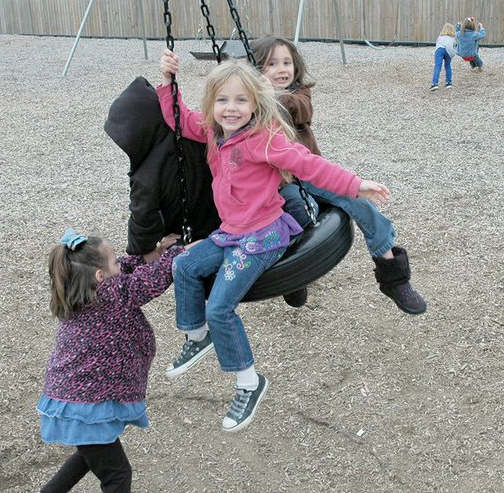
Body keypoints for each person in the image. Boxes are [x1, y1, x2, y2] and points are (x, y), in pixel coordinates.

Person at [156, 49, 391, 433]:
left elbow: (309, 164)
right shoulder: (215, 134)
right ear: (212, 103)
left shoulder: (263, 140)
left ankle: (249, 382)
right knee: (184, 265)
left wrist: (357, 185)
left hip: (263, 236)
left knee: (220, 308)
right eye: (223, 100)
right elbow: (179, 119)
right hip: (231, 232)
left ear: (255, 103)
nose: (231, 109)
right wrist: (168, 82)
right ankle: (197, 337)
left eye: (241, 100)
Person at [250, 34, 427, 315]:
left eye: (286, 62)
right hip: (277, 185)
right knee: (290, 218)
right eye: (271, 64)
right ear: (256, 70)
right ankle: (292, 279)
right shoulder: (247, 103)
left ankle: (393, 274)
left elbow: (296, 109)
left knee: (359, 202)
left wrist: (268, 96)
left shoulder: (299, 95)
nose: (281, 69)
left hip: (310, 173)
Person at [37, 228, 183, 492]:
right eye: (113, 261)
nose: (120, 263)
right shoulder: (109, 294)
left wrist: (158, 252)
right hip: (86, 404)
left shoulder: (81, 290)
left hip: (77, 399)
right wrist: (176, 255)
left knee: (90, 453)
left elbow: (127, 267)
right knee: (117, 475)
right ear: (100, 276)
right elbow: (144, 283)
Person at [430, 23, 457, 91]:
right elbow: (454, 46)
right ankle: (449, 82)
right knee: (447, 66)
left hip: (440, 49)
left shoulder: (440, 36)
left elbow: (437, 44)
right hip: (448, 51)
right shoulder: (453, 38)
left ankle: (435, 84)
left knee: (437, 66)